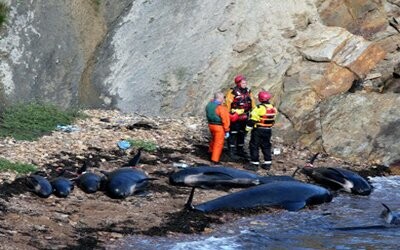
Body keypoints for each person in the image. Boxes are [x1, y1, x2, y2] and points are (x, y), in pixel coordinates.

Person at [225, 74, 256, 160]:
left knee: (242, 133)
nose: (245, 84)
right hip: (235, 116)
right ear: (238, 83)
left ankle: (240, 150)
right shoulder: (232, 92)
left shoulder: (248, 91)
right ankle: (231, 150)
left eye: (245, 82)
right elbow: (227, 104)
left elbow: (252, 102)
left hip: (245, 116)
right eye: (243, 82)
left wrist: (253, 112)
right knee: (233, 133)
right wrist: (229, 114)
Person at [245, 90, 277, 171]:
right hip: (268, 130)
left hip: (258, 130)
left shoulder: (259, 108)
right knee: (266, 146)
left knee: (254, 146)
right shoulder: (273, 108)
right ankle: (268, 163)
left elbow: (252, 120)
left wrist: (246, 130)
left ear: (260, 99)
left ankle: (254, 164)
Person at [205, 92, 231, 164]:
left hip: (211, 125)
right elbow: (225, 120)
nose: (224, 100)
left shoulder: (209, 105)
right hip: (219, 127)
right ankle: (215, 159)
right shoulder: (221, 108)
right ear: (220, 98)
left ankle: (210, 152)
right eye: (223, 98)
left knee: (213, 139)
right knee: (218, 143)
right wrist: (227, 130)